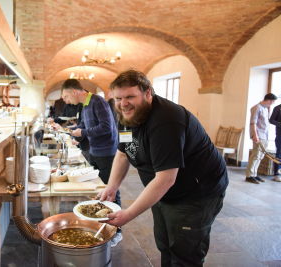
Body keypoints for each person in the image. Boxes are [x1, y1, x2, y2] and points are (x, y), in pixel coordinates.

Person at [97, 69, 228, 266]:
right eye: (118, 98)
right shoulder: (126, 115)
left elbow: (166, 179)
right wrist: (111, 186)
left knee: (185, 254)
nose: (123, 104)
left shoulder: (166, 120)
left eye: (130, 96)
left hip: (196, 193)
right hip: (163, 190)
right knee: (165, 244)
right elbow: (124, 152)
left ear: (148, 93)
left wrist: (128, 214)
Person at [52, 79, 122, 246]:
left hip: (107, 152)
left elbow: (106, 127)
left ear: (74, 91)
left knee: (111, 190)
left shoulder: (98, 101)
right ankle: (101, 224)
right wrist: (67, 130)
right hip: (94, 151)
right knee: (99, 189)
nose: (66, 100)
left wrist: (81, 131)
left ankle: (117, 231)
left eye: (66, 96)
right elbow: (83, 126)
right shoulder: (84, 106)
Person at [246, 93, 277, 184]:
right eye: (273, 102)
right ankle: (249, 175)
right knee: (255, 155)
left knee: (260, 156)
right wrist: (255, 134)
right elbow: (253, 122)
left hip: (265, 135)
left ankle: (254, 174)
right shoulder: (256, 107)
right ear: (269, 100)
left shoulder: (266, 109)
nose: (273, 103)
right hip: (259, 135)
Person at [268, 98, 281, 182]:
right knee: (279, 155)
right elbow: (271, 120)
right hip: (280, 135)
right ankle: (277, 174)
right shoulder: (277, 108)